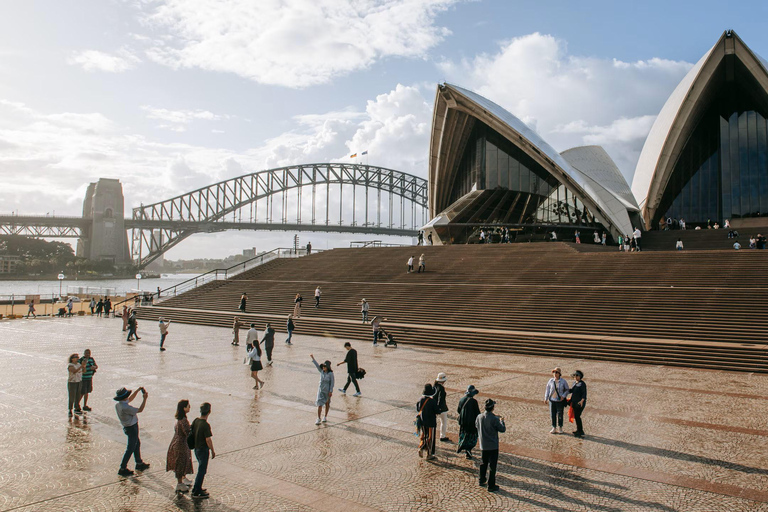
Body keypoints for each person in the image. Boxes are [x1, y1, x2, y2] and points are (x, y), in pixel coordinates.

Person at [114, 386, 150, 476]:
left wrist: (137, 391)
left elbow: (130, 399)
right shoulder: (126, 408)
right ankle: (123, 468)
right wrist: (145, 399)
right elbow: (140, 410)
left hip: (127, 427)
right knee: (130, 448)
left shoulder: (119, 405)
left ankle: (139, 462)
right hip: (132, 427)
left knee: (137, 443)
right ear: (124, 397)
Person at [476, 398, 506, 492]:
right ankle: (491, 485)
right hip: (493, 446)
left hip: (483, 445)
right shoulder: (494, 419)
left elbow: (476, 425)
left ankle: (481, 479)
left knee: (483, 463)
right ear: (492, 408)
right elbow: (502, 429)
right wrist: (502, 421)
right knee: (492, 466)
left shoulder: (479, 417)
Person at [166, 400, 194, 493]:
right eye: (188, 406)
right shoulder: (183, 420)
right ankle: (179, 483)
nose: (189, 407)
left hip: (179, 442)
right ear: (184, 408)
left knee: (184, 461)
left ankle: (183, 477)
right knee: (181, 462)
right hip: (181, 444)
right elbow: (187, 432)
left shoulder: (179, 418)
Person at [190, 402, 215, 499]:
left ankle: (198, 487)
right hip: (203, 450)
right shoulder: (205, 425)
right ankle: (196, 491)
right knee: (202, 470)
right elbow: (208, 439)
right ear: (209, 412)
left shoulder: (196, 421)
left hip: (196, 449)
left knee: (201, 469)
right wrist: (212, 450)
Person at [456, 385, 481, 459]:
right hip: (472, 423)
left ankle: (462, 445)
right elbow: (477, 413)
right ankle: (468, 450)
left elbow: (458, 410)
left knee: (463, 435)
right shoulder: (474, 402)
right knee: (471, 438)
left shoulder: (462, 400)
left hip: (463, 423)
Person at [544, 367, 569, 434]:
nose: (555, 374)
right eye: (554, 372)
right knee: (552, 414)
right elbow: (547, 389)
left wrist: (563, 396)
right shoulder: (550, 381)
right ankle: (554, 427)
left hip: (559, 401)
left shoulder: (563, 381)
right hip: (552, 400)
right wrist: (546, 398)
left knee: (560, 414)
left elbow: (567, 390)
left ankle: (560, 427)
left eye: (556, 372)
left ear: (559, 374)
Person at [310, 354, 334, 425]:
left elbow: (332, 383)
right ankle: (318, 418)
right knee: (319, 404)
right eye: (323, 366)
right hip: (321, 390)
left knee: (327, 403)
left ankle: (325, 416)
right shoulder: (321, 372)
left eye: (325, 366)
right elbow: (317, 366)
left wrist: (330, 391)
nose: (323, 368)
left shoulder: (330, 374)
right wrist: (313, 358)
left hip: (327, 391)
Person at [417, 383, 438, 460]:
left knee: (425, 435)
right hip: (431, 422)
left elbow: (418, 409)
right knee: (430, 438)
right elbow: (437, 411)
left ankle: (421, 447)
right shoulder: (433, 401)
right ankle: (428, 453)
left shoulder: (421, 399)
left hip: (422, 421)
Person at [568, 370, 587, 437]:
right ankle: (578, 430)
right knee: (576, 416)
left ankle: (580, 431)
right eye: (575, 376)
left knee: (577, 416)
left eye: (577, 376)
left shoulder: (582, 384)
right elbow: (572, 391)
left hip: (579, 403)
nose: (575, 377)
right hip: (574, 402)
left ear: (580, 376)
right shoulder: (575, 383)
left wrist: (581, 401)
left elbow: (584, 394)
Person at [67, 353, 86, 417]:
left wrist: (84, 366)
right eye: (76, 357)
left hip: (79, 381)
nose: (77, 359)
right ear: (72, 359)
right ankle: (70, 410)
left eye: (78, 357)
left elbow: (83, 371)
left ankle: (77, 408)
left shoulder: (78, 364)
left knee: (78, 396)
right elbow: (74, 371)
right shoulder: (70, 365)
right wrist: (81, 366)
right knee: (72, 396)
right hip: (72, 382)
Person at [434, 372, 449, 442]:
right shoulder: (441, 388)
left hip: (434, 407)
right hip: (442, 408)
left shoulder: (434, 386)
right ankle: (442, 436)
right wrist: (439, 408)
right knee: (443, 422)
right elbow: (441, 399)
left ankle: (432, 434)